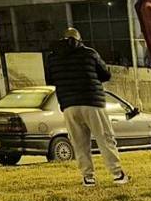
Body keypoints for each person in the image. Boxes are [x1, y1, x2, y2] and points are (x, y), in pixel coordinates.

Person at [44, 27, 128, 186]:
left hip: (69, 105)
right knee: (105, 138)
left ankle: (88, 177)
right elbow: (105, 74)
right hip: (92, 102)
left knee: (79, 143)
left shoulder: (53, 58)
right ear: (79, 40)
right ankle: (117, 174)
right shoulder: (89, 53)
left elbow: (50, 79)